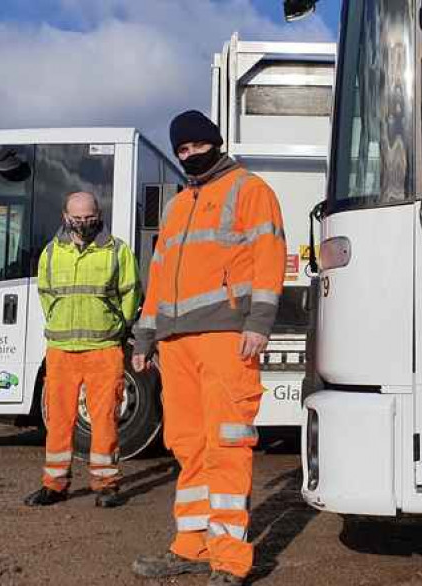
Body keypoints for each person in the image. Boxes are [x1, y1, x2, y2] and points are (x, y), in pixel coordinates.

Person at [130, 110, 285, 585]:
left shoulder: (249, 189)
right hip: (175, 344)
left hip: (224, 337)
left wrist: (259, 322)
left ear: (214, 143)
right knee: (187, 445)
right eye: (181, 150)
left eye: (196, 146)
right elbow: (157, 277)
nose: (189, 155)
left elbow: (269, 255)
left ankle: (229, 560)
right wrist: (144, 336)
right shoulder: (179, 206)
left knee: (226, 445)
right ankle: (191, 545)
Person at [24, 191, 139, 509]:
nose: (83, 223)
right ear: (65, 216)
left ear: (98, 215)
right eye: (77, 218)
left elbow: (131, 294)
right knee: (58, 420)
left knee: (104, 419)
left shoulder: (118, 251)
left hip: (103, 348)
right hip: (61, 349)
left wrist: (117, 326)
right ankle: (54, 484)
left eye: (89, 217)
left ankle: (106, 484)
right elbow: (46, 293)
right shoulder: (51, 252)